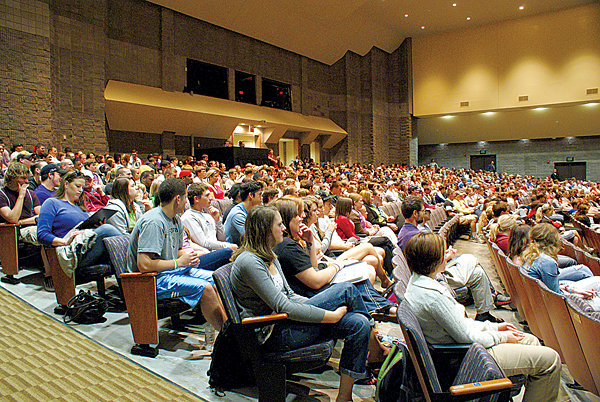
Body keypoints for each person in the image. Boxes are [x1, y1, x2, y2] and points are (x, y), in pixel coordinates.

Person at [230, 205, 385, 401]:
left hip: (287, 323)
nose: (284, 229)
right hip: (272, 333)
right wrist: (331, 315)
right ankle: (377, 339)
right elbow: (283, 306)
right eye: (279, 225)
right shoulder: (249, 262)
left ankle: (344, 397)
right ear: (266, 229)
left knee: (358, 324)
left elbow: (291, 296)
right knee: (346, 289)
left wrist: (317, 308)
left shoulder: (269, 255)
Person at [403, 232, 562, 402]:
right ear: (435, 259)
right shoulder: (433, 296)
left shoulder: (419, 284)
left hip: (463, 349)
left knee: (530, 341)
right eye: (444, 251)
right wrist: (501, 336)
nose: (448, 254)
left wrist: (494, 327)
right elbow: (466, 335)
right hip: (468, 356)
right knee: (551, 360)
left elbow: (461, 325)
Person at [125, 178, 228, 336]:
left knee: (219, 279)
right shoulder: (154, 222)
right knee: (206, 288)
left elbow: (177, 250)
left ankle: (228, 328)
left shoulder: (176, 219)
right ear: (177, 199)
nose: (187, 201)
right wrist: (178, 262)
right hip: (148, 280)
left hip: (172, 272)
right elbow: (144, 264)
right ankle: (227, 338)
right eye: (186, 197)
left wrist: (188, 257)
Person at [272, 197, 395, 312]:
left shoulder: (299, 236)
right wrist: (339, 265)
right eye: (298, 214)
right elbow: (315, 282)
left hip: (322, 269)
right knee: (359, 275)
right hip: (313, 291)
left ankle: (383, 306)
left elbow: (313, 266)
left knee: (365, 267)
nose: (303, 216)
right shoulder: (287, 245)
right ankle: (384, 307)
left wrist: (309, 242)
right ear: (287, 218)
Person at [397, 196, 506, 322]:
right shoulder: (413, 235)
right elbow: (426, 265)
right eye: (422, 211)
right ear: (415, 213)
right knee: (471, 259)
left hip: (432, 272)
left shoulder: (409, 231)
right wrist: (447, 257)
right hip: (432, 277)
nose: (425, 213)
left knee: (477, 274)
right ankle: (493, 297)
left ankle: (484, 314)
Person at [37, 171, 122, 267]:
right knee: (107, 229)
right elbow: (42, 234)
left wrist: (96, 226)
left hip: (86, 245)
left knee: (112, 246)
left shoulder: (80, 207)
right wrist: (65, 241)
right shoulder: (52, 203)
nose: (81, 190)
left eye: (82, 187)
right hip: (71, 250)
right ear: (66, 184)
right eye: (77, 186)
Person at [522, 223, 599, 310]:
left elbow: (550, 287)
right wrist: (579, 295)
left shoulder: (530, 254)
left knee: (597, 280)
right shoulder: (547, 262)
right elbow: (556, 296)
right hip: (558, 305)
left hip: (544, 300)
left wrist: (572, 290)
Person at [181, 183, 237, 251]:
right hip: (205, 255)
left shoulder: (208, 216)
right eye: (207, 195)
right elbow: (203, 243)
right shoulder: (188, 217)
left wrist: (217, 221)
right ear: (196, 199)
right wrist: (228, 246)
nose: (210, 198)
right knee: (230, 251)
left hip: (217, 251)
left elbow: (222, 239)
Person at [224, 180, 262, 245]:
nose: (262, 198)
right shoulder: (237, 214)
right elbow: (252, 238)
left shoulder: (253, 209)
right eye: (259, 195)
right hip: (234, 250)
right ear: (250, 195)